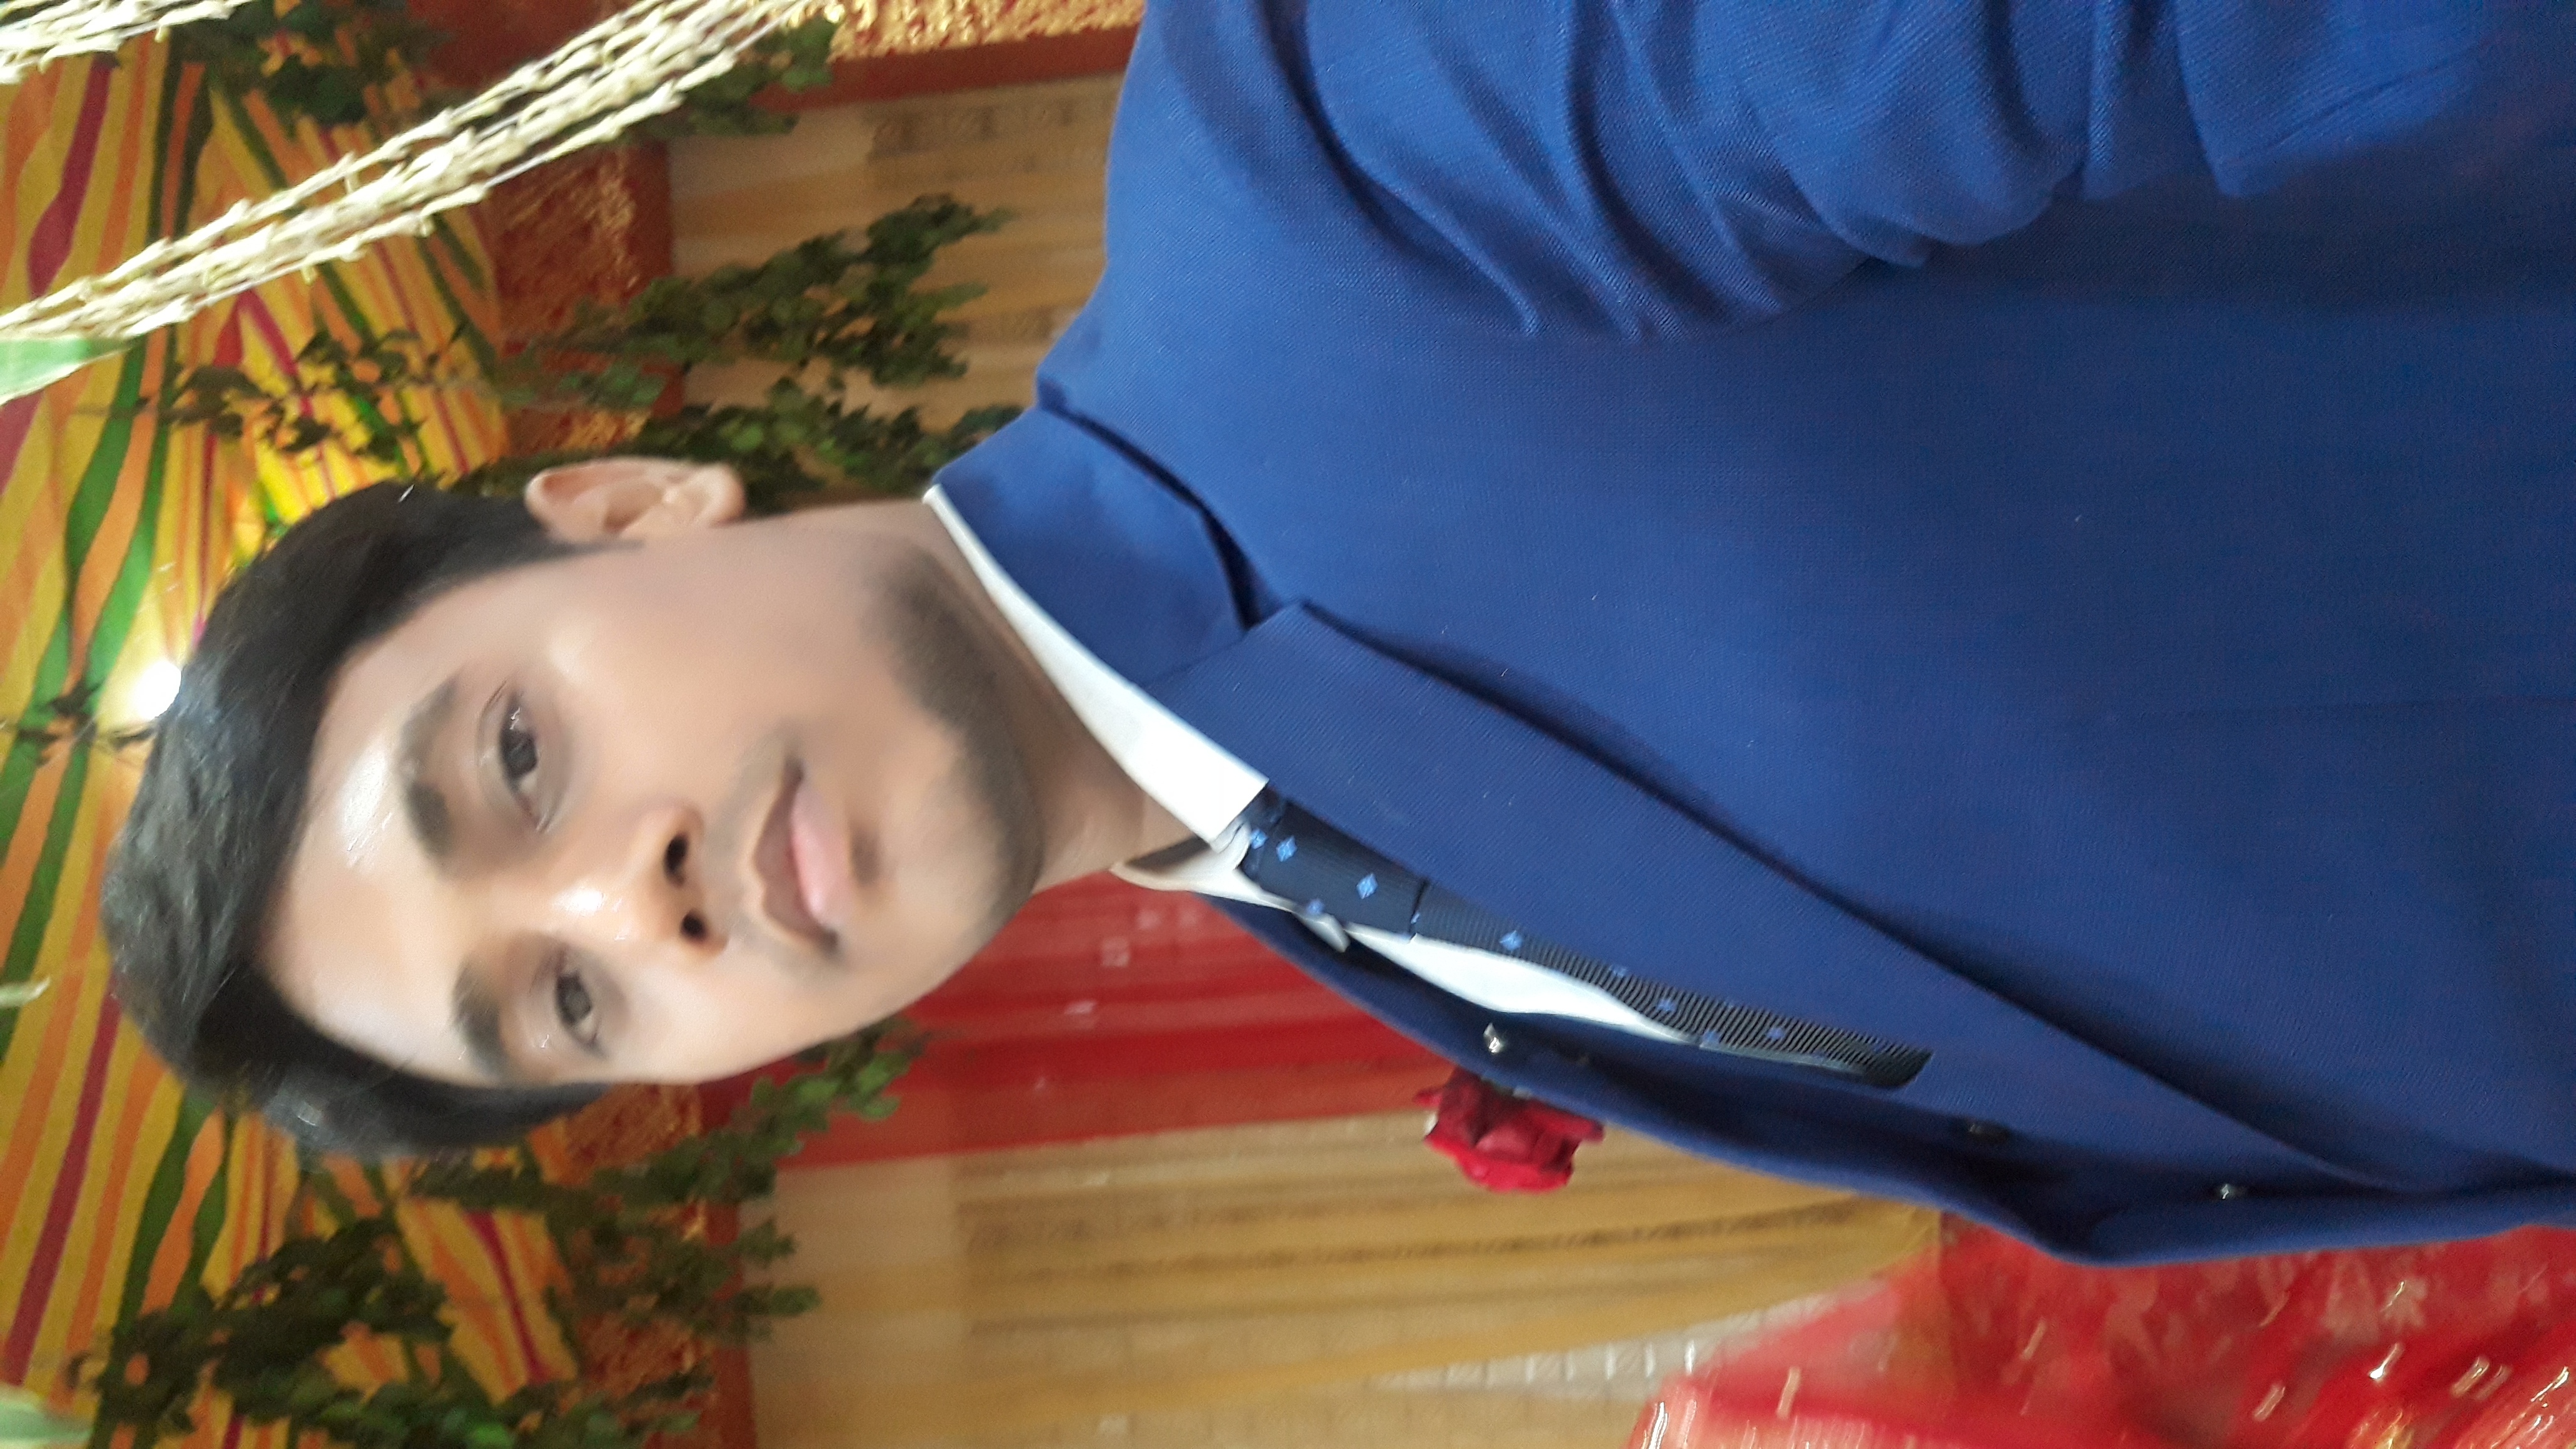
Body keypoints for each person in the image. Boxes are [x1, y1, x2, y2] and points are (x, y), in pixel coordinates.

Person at [102, 0, 2576, 1264]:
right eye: (563, 1003)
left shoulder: (1316, 166)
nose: (625, 900)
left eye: (512, 762)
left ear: (629, 506)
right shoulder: (1370, 925)